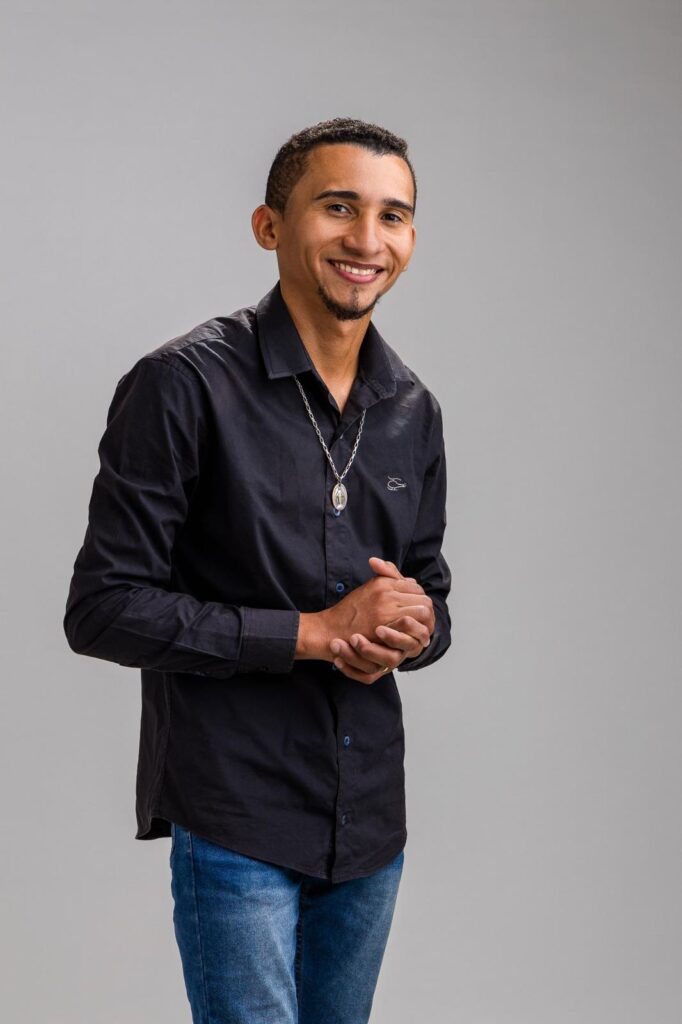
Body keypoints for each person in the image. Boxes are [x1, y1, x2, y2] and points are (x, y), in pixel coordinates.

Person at [64, 116, 452, 1024]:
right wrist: (314, 634)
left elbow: (431, 590)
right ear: (270, 225)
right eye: (338, 207)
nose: (367, 239)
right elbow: (102, 607)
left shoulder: (413, 409)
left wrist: (413, 627)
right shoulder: (183, 384)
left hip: (369, 820)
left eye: (393, 215)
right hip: (235, 811)